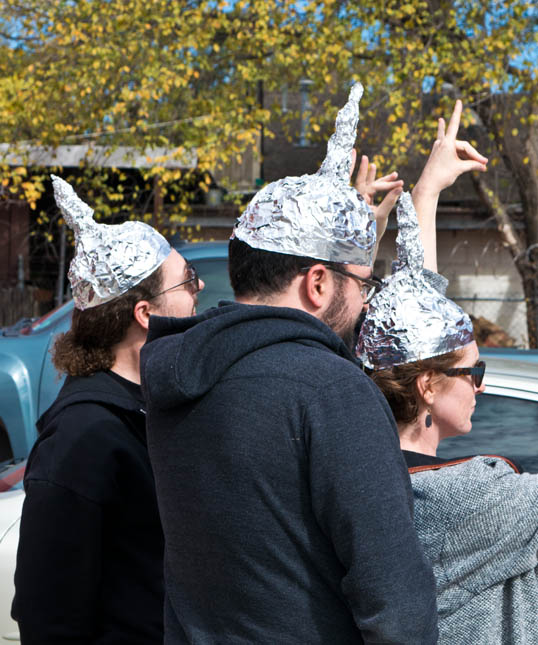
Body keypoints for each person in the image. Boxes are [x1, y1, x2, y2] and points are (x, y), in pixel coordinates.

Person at [140, 82, 438, 644]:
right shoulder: (329, 389)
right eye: (363, 283)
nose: (366, 301)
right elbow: (397, 601)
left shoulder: (178, 371)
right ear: (318, 282)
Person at [357, 141, 538, 643]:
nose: (482, 384)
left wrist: (427, 194)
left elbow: (412, 331)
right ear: (428, 387)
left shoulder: (354, 475)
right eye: (473, 371)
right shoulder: (473, 499)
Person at [12, 175, 204, 645]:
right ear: (146, 314)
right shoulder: (84, 436)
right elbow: (48, 612)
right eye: (187, 280)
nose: (199, 287)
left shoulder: (151, 405)